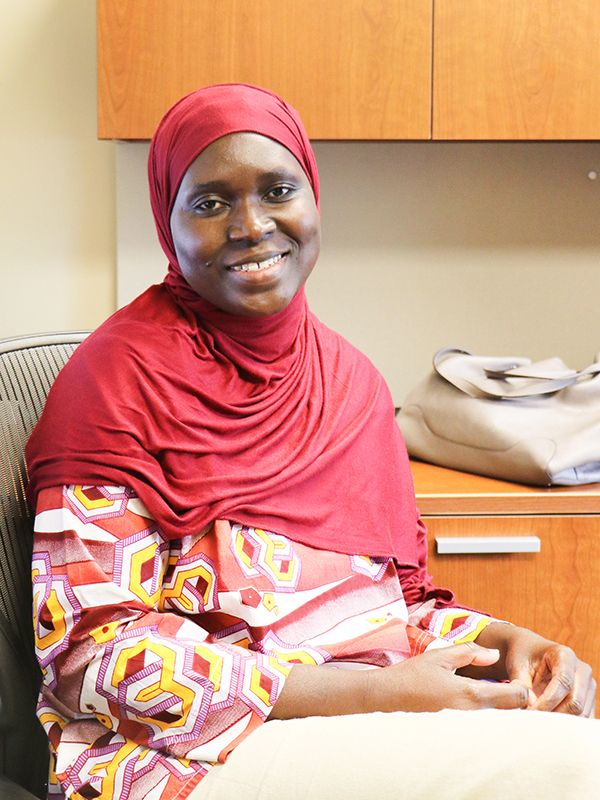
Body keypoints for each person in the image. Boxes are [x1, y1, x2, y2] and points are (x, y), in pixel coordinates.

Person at [26, 83, 598, 800]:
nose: (252, 225)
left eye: (277, 190)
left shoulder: (350, 382)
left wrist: (505, 642)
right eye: (209, 203)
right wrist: (373, 697)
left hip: (370, 720)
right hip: (181, 758)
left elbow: (393, 609)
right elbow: (91, 659)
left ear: (313, 200)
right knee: (574, 771)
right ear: (165, 222)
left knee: (568, 741)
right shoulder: (111, 384)